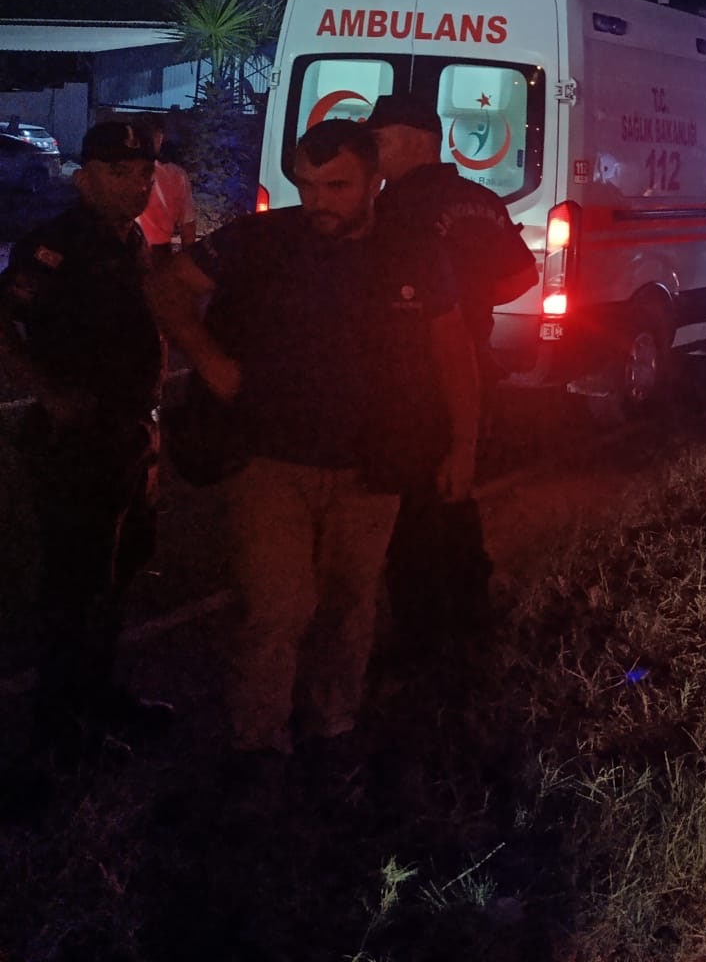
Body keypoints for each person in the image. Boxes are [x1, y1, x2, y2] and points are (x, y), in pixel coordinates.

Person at [147, 120, 478, 779]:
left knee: (350, 600)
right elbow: (165, 286)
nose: (318, 200)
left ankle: (333, 725)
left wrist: (463, 447)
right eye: (307, 184)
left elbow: (453, 351)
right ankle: (258, 740)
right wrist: (210, 362)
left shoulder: (412, 252)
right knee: (278, 605)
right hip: (270, 458)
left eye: (337, 186)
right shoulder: (261, 239)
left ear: (375, 182)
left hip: (371, 462)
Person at [0, 123, 168, 763]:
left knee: (118, 575)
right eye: (120, 172)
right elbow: (4, 321)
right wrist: (48, 393)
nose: (137, 185)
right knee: (75, 585)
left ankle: (97, 698)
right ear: (84, 176)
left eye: (144, 173)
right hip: (78, 442)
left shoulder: (130, 239)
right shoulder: (56, 246)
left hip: (131, 433)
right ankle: (58, 726)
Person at [363, 93, 537, 664]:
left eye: (380, 140)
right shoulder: (481, 200)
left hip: (410, 374)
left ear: (417, 141)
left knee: (409, 503)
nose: (371, 151)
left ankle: (421, 636)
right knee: (454, 491)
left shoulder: (394, 207)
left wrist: (442, 315)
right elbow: (522, 275)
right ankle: (469, 613)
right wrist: (472, 308)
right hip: (472, 365)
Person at [136, 122, 197, 260]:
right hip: (157, 253)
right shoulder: (175, 175)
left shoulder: (121, 174)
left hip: (136, 252)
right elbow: (188, 228)